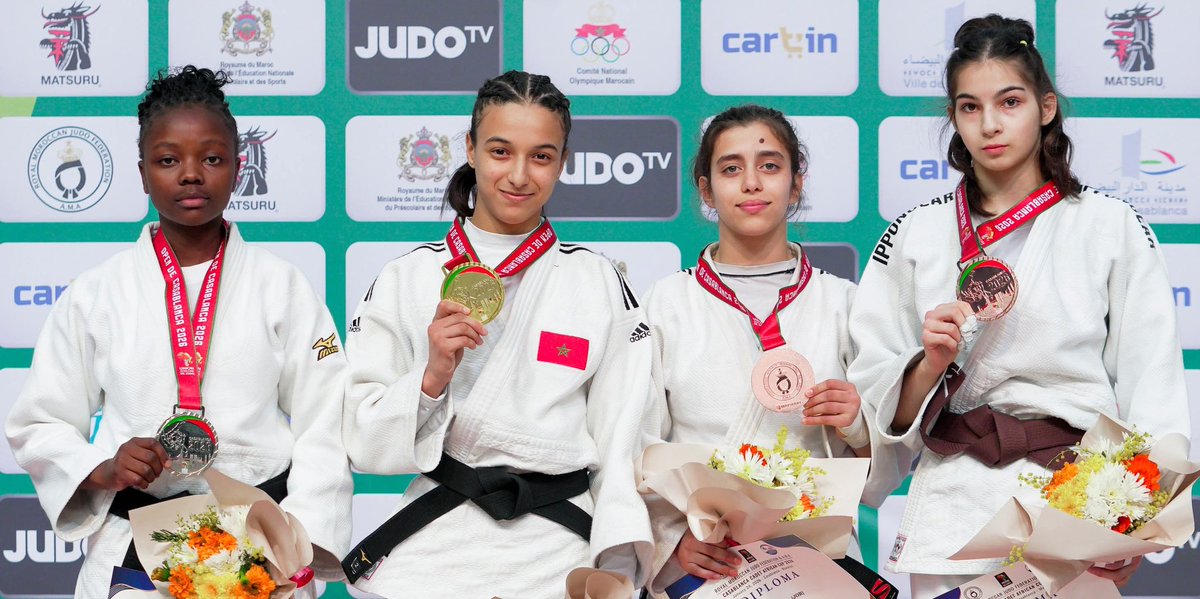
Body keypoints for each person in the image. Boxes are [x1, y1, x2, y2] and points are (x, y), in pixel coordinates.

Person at [846, 15, 1188, 598]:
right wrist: (927, 363)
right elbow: (878, 401)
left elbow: (1151, 383)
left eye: (1009, 101)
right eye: (969, 107)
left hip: (1076, 508)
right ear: (954, 118)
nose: (990, 124)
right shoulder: (917, 233)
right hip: (956, 507)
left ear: (1046, 107)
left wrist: (1133, 521)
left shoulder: (1110, 226)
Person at [4, 66, 352, 597]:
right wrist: (103, 467)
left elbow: (326, 419)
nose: (191, 174)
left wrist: (296, 539)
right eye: (169, 160)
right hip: (137, 543)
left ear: (238, 169)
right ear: (143, 173)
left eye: (212, 158)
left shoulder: (282, 287)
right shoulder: (98, 292)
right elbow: (38, 421)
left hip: (258, 543)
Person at [340, 70, 653, 597]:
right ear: (470, 148)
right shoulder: (407, 277)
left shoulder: (598, 280)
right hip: (436, 540)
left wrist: (618, 558)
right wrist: (432, 375)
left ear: (562, 163)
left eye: (541, 156)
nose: (519, 175)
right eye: (501, 151)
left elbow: (625, 437)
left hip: (559, 549)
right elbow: (366, 445)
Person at [639, 105, 905, 596]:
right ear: (706, 192)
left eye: (769, 165)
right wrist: (671, 541)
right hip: (708, 567)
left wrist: (858, 425)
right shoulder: (665, 303)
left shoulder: (843, 303)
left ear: (795, 184)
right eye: (731, 168)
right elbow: (637, 445)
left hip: (817, 562)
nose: (752, 183)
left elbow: (881, 477)